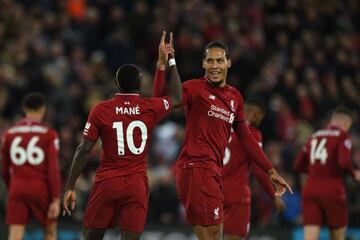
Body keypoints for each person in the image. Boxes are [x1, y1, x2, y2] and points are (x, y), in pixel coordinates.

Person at [153, 40, 292, 239]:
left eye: (219, 60)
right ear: (203, 64)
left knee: (214, 237)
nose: (215, 66)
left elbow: (246, 136)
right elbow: (160, 100)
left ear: (228, 62)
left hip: (213, 173)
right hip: (196, 169)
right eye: (210, 61)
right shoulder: (194, 88)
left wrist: (271, 171)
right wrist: (161, 65)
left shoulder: (235, 97)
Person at [62, 31, 182, 240]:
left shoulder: (101, 109)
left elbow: (84, 149)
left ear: (117, 84)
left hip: (107, 181)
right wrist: (167, 61)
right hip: (136, 183)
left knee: (91, 237)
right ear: (140, 84)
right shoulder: (150, 107)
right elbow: (177, 97)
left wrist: (70, 186)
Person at [222, 99, 286, 240]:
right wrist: (273, 196)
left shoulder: (222, 126)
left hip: (212, 189)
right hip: (236, 193)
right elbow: (258, 169)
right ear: (256, 115)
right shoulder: (252, 133)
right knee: (235, 237)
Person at [294, 106, 360, 240]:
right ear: (346, 122)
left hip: (310, 189)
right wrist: (354, 174)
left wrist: (315, 171)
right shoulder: (343, 136)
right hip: (332, 190)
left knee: (309, 237)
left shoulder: (314, 136)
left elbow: (298, 165)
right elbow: (343, 162)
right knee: (337, 237)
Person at [1, 92, 61, 240]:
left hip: (17, 187)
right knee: (50, 231)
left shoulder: (9, 134)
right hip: (40, 188)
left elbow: (4, 169)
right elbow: (53, 169)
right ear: (43, 109)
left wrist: (12, 188)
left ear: (24, 108)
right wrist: (56, 198)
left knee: (15, 234)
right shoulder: (49, 134)